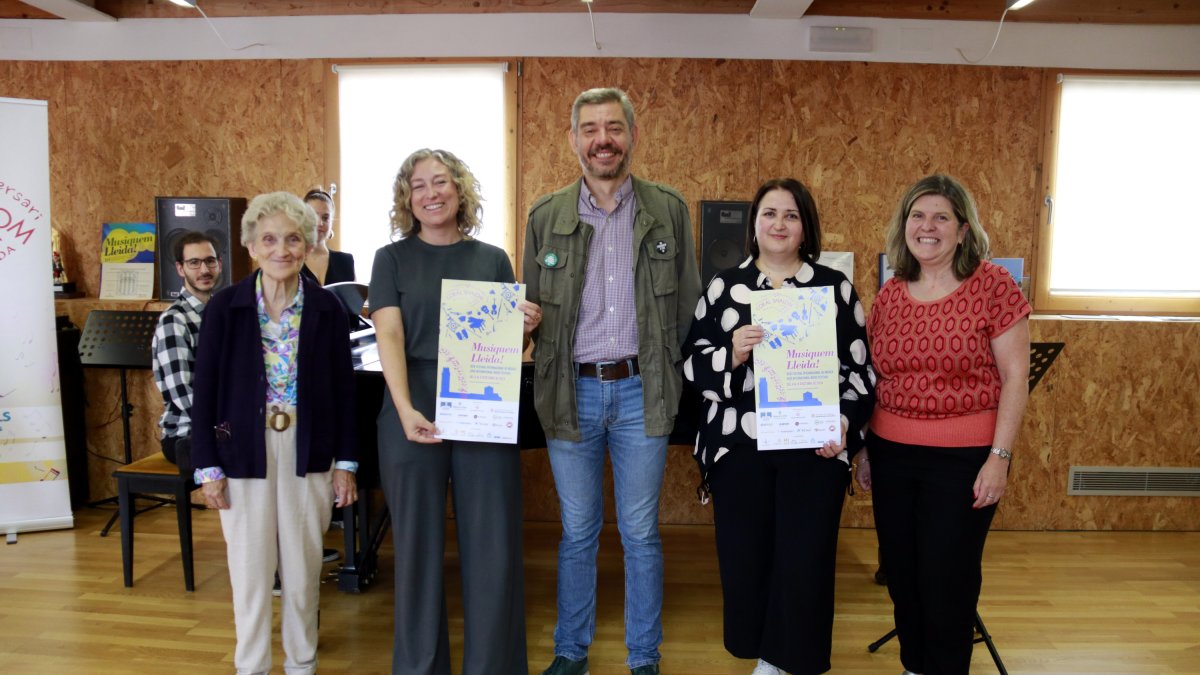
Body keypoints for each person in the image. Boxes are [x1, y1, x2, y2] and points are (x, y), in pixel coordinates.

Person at [522, 87, 702, 675]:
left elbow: (688, 312)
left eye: (614, 127)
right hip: (567, 392)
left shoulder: (667, 209)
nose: (604, 139)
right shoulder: (545, 217)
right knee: (577, 532)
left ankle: (642, 658)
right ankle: (570, 653)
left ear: (631, 135)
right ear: (573, 139)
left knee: (641, 533)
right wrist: (523, 321)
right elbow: (529, 310)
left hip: (639, 392)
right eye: (591, 129)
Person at [683, 178, 876, 675]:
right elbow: (691, 367)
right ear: (754, 223)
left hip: (813, 446)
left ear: (805, 226)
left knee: (805, 558)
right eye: (769, 213)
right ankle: (762, 652)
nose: (779, 224)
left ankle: (787, 662)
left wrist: (843, 423)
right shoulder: (724, 287)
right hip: (739, 447)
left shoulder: (833, 289)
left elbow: (860, 373)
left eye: (790, 215)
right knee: (746, 557)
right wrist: (732, 352)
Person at [369, 148, 540, 675]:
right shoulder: (390, 258)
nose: (431, 193)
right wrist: (404, 410)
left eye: (440, 182)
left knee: (493, 548)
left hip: (480, 404)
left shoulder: (491, 259)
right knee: (417, 552)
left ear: (460, 190)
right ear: (407, 199)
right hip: (410, 402)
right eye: (418, 186)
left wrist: (525, 331)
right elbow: (389, 335)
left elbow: (506, 355)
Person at [855, 174, 1030, 675]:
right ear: (903, 226)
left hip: (963, 460)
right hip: (891, 455)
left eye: (940, 217)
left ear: (963, 229)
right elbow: (875, 378)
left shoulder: (992, 285)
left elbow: (1016, 377)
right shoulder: (890, 294)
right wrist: (865, 449)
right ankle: (915, 666)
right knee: (904, 576)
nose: (926, 226)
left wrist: (999, 459)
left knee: (946, 580)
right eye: (917, 216)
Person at [190, 191, 359, 675]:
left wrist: (346, 463)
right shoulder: (225, 307)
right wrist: (208, 468)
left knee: (304, 571)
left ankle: (301, 664)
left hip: (310, 450)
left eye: (292, 239)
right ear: (251, 247)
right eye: (269, 239)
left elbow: (344, 393)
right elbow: (206, 394)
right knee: (250, 571)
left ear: (307, 245)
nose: (281, 249)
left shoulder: (327, 308)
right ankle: (253, 667)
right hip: (242, 449)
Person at [151, 230, 222, 466]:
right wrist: (227, 426)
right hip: (187, 433)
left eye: (210, 261)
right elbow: (184, 394)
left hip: (222, 426)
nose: (204, 270)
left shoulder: (223, 315)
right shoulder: (174, 321)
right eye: (194, 263)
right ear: (180, 269)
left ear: (219, 264)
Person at [300, 187, 356, 285]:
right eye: (313, 216)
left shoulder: (345, 261)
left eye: (325, 218)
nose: (320, 223)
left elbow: (354, 298)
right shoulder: (292, 261)